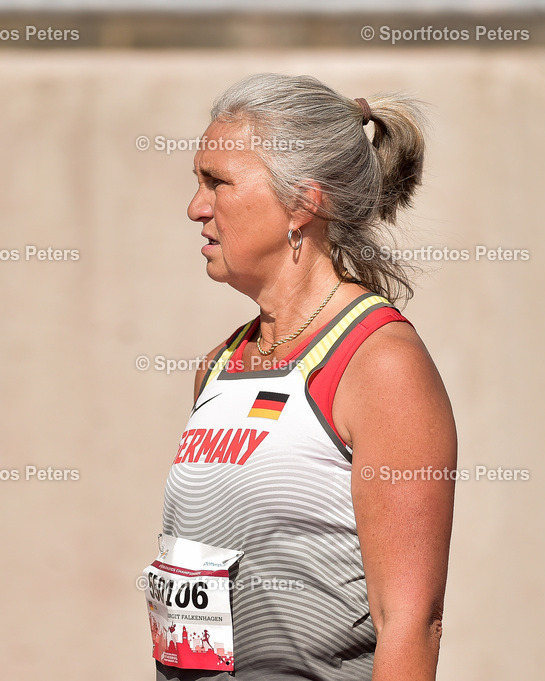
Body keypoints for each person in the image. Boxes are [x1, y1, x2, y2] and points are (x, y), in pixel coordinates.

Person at [156, 74, 457, 681]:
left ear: (303, 203)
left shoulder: (379, 363)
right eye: (196, 182)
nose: (196, 208)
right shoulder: (221, 364)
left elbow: (410, 623)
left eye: (218, 183)